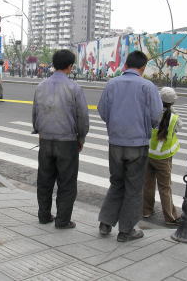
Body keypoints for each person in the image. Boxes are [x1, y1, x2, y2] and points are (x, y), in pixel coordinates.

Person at [97, 51, 163, 242]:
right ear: (142, 68)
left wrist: (114, 125)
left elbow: (103, 110)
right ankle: (127, 230)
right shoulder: (147, 87)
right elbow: (156, 116)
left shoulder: (112, 84)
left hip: (116, 143)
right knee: (134, 187)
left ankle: (105, 222)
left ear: (126, 65)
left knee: (116, 183)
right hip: (138, 144)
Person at [32, 49, 89, 229]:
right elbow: (83, 118)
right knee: (67, 182)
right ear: (70, 66)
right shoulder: (74, 88)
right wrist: (81, 137)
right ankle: (62, 220)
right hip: (67, 142)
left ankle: (44, 215)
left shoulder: (40, 86)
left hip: (46, 140)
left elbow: (35, 113)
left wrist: (39, 131)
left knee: (45, 180)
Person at [143, 87, 182, 226]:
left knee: (148, 184)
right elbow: (178, 128)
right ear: (172, 103)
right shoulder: (174, 117)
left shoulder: (151, 112)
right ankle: (170, 217)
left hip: (148, 154)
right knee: (165, 188)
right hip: (164, 158)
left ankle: (146, 211)